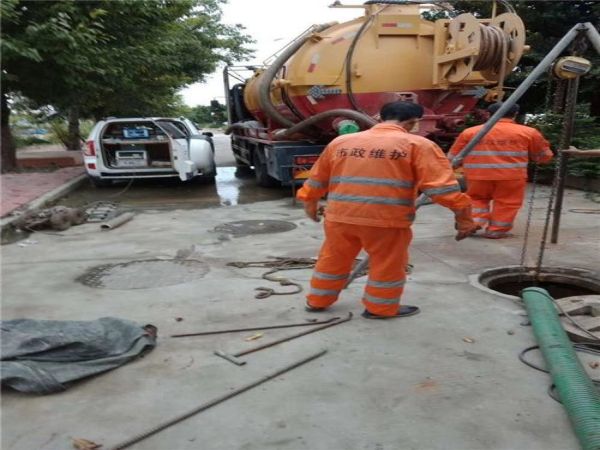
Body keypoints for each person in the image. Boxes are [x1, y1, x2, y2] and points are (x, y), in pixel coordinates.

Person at [296, 101, 479, 319]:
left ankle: (317, 301)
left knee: (333, 259)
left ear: (379, 117)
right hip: (386, 221)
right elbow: (442, 190)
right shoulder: (418, 145)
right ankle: (379, 308)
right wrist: (464, 217)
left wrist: (310, 202)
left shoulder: (341, 142)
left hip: (339, 218)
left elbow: (317, 179)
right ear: (413, 122)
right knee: (387, 265)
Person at [448, 102, 553, 239]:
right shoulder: (528, 132)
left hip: (478, 176)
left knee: (476, 199)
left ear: (488, 114)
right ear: (515, 114)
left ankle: (474, 222)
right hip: (511, 177)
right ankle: (496, 230)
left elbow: (453, 157)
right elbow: (543, 156)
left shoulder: (470, 132)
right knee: (507, 202)